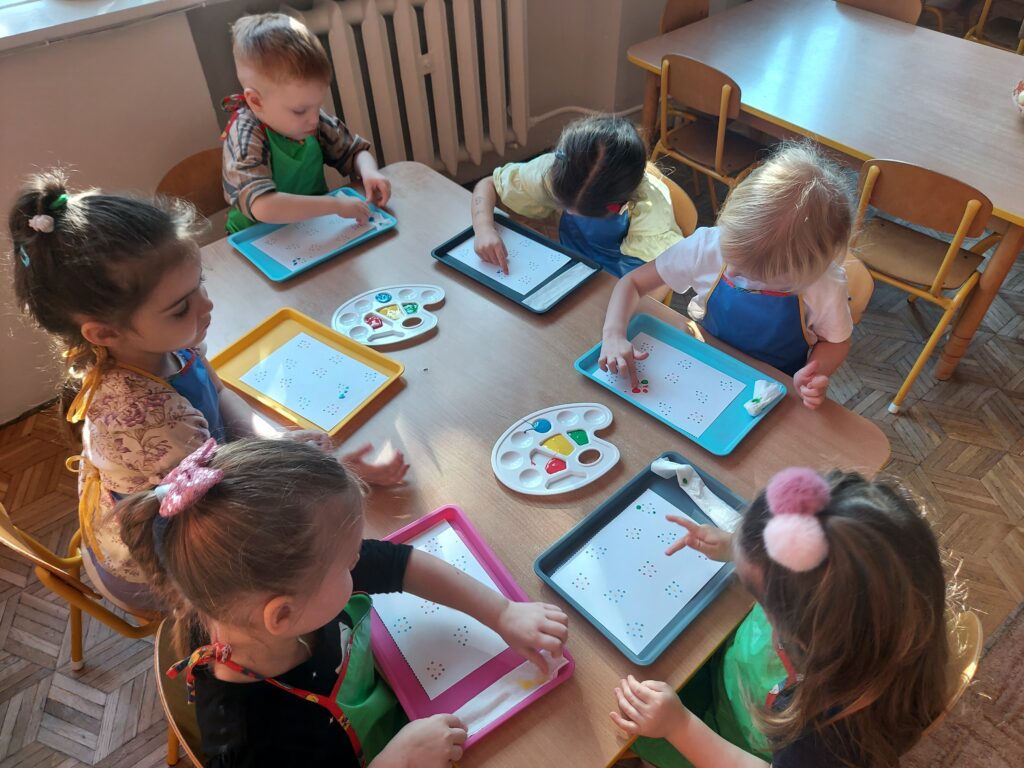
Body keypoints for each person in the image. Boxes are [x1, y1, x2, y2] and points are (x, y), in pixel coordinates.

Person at [8, 170, 406, 614]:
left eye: (199, 284)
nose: (206, 306)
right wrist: (325, 477)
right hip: (157, 566)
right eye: (181, 306)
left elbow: (217, 392)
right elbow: (230, 507)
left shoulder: (161, 343)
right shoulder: (148, 419)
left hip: (205, 486)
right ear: (104, 332)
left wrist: (277, 441)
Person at [118, 438, 570, 767]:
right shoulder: (249, 742)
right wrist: (397, 761)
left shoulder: (256, 596)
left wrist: (503, 613)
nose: (360, 559)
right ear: (282, 614)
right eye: (348, 560)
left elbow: (402, 564)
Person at [611, 467, 950, 767]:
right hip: (739, 683)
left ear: (804, 636)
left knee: (632, 732)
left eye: (760, 596)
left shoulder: (826, 743)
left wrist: (679, 726)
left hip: (738, 743)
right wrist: (737, 549)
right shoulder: (893, 609)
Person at [600, 143, 856, 408]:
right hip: (707, 361)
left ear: (807, 270)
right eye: (730, 257)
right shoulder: (706, 246)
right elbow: (632, 283)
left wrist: (814, 373)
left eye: (748, 273)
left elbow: (835, 342)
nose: (731, 272)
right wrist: (613, 334)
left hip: (775, 387)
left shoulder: (824, 285)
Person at [222, 13, 391, 233]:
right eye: (300, 111)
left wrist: (369, 172)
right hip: (256, 236)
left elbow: (354, 151)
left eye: (317, 105)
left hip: (310, 226)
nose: (314, 119)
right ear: (256, 101)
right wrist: (335, 205)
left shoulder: (311, 119)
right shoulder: (246, 134)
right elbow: (263, 206)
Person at [471, 115, 684, 277]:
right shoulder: (554, 170)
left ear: (616, 203)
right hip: (573, 265)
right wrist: (483, 229)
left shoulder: (649, 213)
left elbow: (661, 278)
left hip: (621, 279)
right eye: (564, 204)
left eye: (582, 211)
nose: (569, 212)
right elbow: (488, 184)